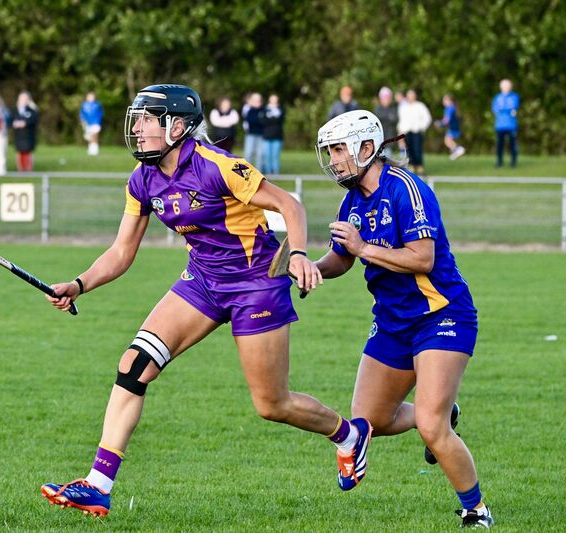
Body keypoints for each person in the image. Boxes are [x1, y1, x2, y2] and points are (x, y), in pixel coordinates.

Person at [39, 84, 372, 517]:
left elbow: (290, 205)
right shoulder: (142, 180)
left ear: (177, 127)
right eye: (136, 119)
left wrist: (300, 255)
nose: (137, 129)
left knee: (271, 404)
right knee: (134, 365)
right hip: (202, 281)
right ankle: (99, 484)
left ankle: (348, 435)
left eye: (147, 120)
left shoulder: (216, 165)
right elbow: (122, 252)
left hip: (256, 283)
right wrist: (79, 284)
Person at [313, 110, 493, 529]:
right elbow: (342, 259)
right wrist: (312, 269)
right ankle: (445, 413)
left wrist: (361, 247)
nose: (335, 160)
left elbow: (422, 258)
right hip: (392, 322)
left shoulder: (407, 189)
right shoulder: (352, 199)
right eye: (331, 151)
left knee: (430, 427)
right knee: (369, 422)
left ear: (366, 148)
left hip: (441, 315)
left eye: (340, 149)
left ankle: (476, 511)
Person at [397, 89, 431, 175]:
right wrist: (401, 131)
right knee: (409, 150)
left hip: (417, 132)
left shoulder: (420, 106)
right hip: (407, 132)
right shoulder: (403, 107)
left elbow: (427, 118)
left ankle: (420, 168)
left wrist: (421, 127)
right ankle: (411, 167)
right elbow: (402, 121)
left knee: (417, 150)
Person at [492, 79, 519, 168]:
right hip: (500, 125)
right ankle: (499, 162)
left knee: (513, 145)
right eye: (504, 86)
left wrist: (504, 110)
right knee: (500, 145)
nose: (506, 87)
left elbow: (513, 108)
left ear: (510, 87)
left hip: (511, 125)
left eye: (508, 86)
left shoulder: (514, 97)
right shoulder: (497, 97)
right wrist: (507, 110)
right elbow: (496, 109)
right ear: (501, 87)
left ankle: (513, 162)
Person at [10, 91, 39, 171]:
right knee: (19, 153)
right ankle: (20, 170)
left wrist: (25, 123)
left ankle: (28, 169)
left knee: (28, 153)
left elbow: (34, 118)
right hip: (19, 136)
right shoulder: (14, 110)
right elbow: (11, 119)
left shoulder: (32, 110)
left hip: (28, 136)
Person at [435, 94, 466, 160]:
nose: (443, 102)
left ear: (450, 101)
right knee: (448, 140)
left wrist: (440, 123)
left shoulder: (450, 109)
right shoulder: (453, 107)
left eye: (445, 100)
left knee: (447, 140)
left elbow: (447, 120)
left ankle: (459, 149)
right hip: (455, 127)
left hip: (453, 128)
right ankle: (455, 153)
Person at [260, 93, 284, 174]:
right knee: (267, 156)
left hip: (277, 136)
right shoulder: (264, 110)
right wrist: (273, 119)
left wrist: (270, 119)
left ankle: (276, 173)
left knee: (275, 156)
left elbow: (280, 121)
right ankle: (268, 172)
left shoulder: (281, 109)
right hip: (266, 136)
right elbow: (263, 121)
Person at [374, 87, 398, 159]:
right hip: (379, 139)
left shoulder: (393, 108)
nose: (386, 100)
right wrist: (388, 117)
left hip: (389, 139)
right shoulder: (377, 109)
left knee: (388, 159)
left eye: (388, 98)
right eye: (384, 98)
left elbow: (394, 119)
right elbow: (378, 118)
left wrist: (387, 118)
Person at [242, 92, 263, 169]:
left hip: (261, 135)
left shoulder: (263, 110)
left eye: (258, 99)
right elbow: (250, 121)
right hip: (250, 134)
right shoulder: (248, 110)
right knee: (248, 153)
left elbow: (263, 122)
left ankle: (259, 175)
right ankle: (247, 173)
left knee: (260, 154)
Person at [80, 91, 103, 156]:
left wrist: (99, 121)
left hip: (96, 122)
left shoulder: (97, 104)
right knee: (89, 137)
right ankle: (91, 149)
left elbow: (101, 113)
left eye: (92, 96)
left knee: (94, 136)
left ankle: (95, 150)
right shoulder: (84, 105)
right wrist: (83, 122)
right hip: (88, 123)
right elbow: (82, 114)